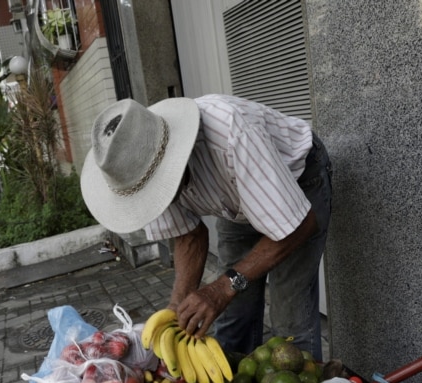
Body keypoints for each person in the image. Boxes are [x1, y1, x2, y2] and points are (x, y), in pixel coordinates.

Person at [80, 95, 332, 361]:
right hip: (236, 202)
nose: (155, 196)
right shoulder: (139, 167)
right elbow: (189, 236)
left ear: (172, 160)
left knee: (289, 321)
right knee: (234, 315)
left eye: (156, 187)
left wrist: (222, 288)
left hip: (297, 183)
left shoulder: (232, 134)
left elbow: (297, 225)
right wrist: (177, 305)